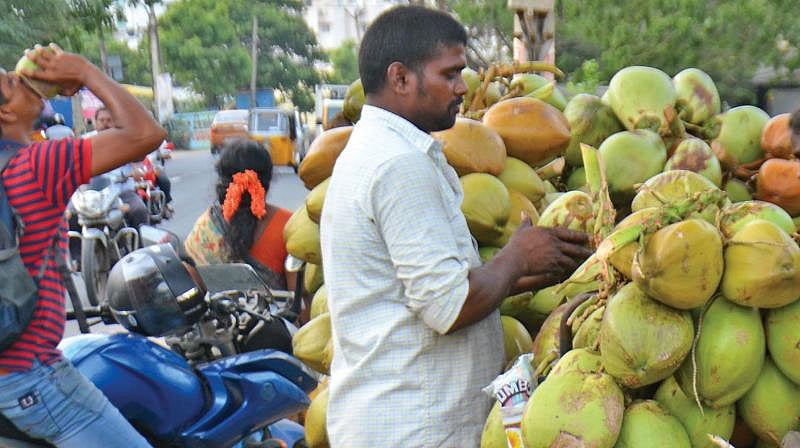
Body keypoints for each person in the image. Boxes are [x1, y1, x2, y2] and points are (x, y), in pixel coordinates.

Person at [319, 6, 593, 446]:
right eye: (450, 74)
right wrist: (517, 255)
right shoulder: (398, 166)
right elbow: (448, 307)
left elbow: (419, 294)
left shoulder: (380, 150)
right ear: (401, 78)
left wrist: (536, 268)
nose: (462, 87)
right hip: (413, 428)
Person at [0, 44, 165, 446]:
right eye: (12, 83)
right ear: (6, 113)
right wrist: (86, 71)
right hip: (32, 375)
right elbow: (147, 134)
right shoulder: (37, 164)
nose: (24, 80)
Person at [184, 138, 296, 293]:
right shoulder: (289, 225)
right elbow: (299, 299)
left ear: (223, 181)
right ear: (267, 181)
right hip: (273, 316)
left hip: (217, 316)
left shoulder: (206, 225)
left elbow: (192, 282)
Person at [93, 107, 149, 228]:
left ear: (115, 122)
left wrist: (136, 171)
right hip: (95, 195)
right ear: (95, 122)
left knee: (139, 210)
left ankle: (142, 244)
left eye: (108, 120)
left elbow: (138, 158)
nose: (105, 124)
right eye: (101, 120)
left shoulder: (125, 141)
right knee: (71, 214)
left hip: (122, 193)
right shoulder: (87, 142)